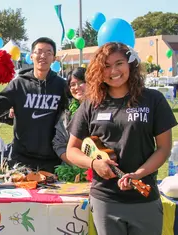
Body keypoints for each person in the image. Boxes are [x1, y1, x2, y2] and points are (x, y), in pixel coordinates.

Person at [66, 42, 177, 235]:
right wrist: (94, 163)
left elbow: (164, 148)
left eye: (119, 63)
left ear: (131, 64)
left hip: (144, 198)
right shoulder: (91, 104)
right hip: (105, 200)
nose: (113, 71)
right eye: (106, 66)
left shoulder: (153, 99)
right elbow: (72, 150)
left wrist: (138, 174)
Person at [0, 37, 67, 173]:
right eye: (39, 52)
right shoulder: (19, 84)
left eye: (48, 52)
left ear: (54, 58)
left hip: (53, 160)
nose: (43, 56)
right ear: (32, 55)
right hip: (21, 160)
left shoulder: (62, 86)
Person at [52, 67, 86, 164]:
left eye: (81, 82)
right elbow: (59, 144)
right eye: (72, 84)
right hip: (73, 170)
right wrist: (78, 165)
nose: (77, 87)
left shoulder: (102, 109)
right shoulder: (67, 114)